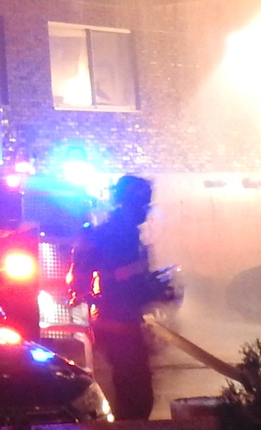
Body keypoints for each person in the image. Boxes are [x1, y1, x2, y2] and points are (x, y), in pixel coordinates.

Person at [69, 174, 176, 421]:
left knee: (135, 391)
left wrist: (154, 287)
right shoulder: (118, 235)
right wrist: (154, 290)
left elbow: (126, 276)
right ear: (132, 204)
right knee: (136, 396)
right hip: (118, 322)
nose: (146, 212)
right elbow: (121, 281)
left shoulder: (121, 232)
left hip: (121, 320)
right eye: (143, 205)